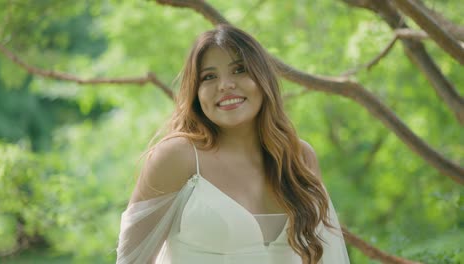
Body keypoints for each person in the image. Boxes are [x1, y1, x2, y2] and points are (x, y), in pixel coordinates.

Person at [116, 24, 350, 264]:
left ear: (263, 79)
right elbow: (131, 260)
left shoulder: (299, 157)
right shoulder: (178, 157)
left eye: (239, 70)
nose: (225, 85)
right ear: (196, 93)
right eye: (209, 77)